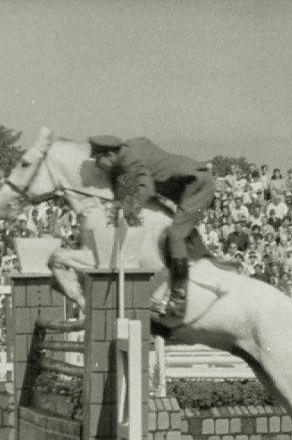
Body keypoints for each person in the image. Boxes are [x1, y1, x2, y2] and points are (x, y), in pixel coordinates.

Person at [88, 135, 215, 317]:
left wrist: (126, 210)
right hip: (184, 185)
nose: (98, 165)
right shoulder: (129, 149)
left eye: (99, 160)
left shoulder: (130, 161)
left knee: (175, 235)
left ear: (110, 154)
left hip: (196, 185)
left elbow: (146, 189)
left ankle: (178, 298)